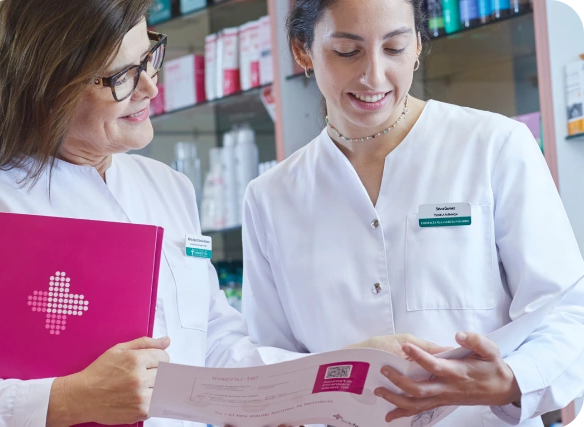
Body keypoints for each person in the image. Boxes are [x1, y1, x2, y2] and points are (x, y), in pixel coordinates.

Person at [0, 1, 449, 426]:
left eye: (148, 59)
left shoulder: (166, 188)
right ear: (48, 84)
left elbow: (217, 345)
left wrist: (344, 368)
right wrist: (68, 399)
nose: (150, 87)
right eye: (121, 77)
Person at [240, 0, 584, 426]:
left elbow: (566, 310)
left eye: (395, 48)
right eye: (347, 51)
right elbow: (267, 361)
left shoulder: (494, 146)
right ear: (302, 50)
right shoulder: (271, 197)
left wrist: (511, 380)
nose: (374, 76)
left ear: (418, 45)